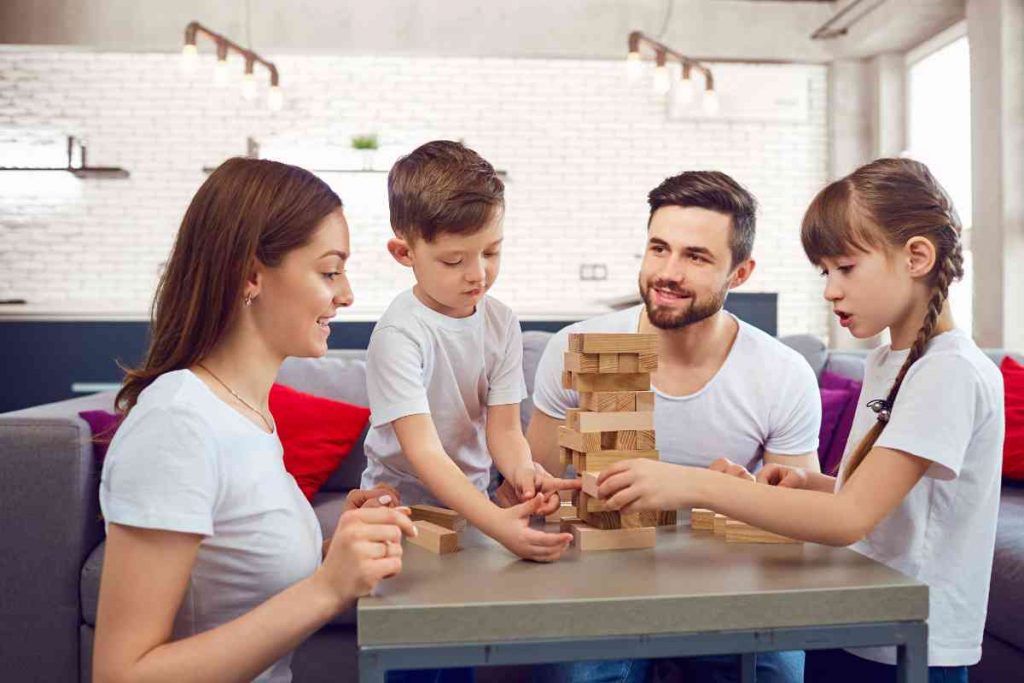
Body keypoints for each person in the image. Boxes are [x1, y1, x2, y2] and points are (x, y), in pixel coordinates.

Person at [598, 158, 1004, 683]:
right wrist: (810, 483)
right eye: (825, 272)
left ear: (917, 257)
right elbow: (896, 500)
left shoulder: (947, 371)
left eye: (846, 268)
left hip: (911, 643)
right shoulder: (894, 362)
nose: (830, 290)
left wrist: (691, 484)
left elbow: (849, 520)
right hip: (861, 620)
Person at [93, 158, 416, 683]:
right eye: (329, 270)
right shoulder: (178, 424)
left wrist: (338, 552)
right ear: (251, 274)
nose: (347, 294)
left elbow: (237, 586)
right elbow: (122, 674)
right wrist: (327, 588)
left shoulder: (247, 415)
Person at [528, 170, 820, 682]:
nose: (668, 271)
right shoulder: (577, 347)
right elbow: (534, 492)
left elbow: (795, 512)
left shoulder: (782, 372)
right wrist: (545, 490)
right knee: (583, 671)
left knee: (777, 668)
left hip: (730, 578)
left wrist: (739, 494)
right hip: (605, 577)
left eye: (696, 256)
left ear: (741, 272)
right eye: (658, 249)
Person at [361, 140, 577, 563]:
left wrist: (524, 473)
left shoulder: (500, 322)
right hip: (399, 509)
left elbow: (504, 430)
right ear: (404, 253)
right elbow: (424, 452)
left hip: (473, 502)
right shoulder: (399, 334)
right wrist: (496, 523)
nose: (478, 274)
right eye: (453, 260)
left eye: (492, 252)